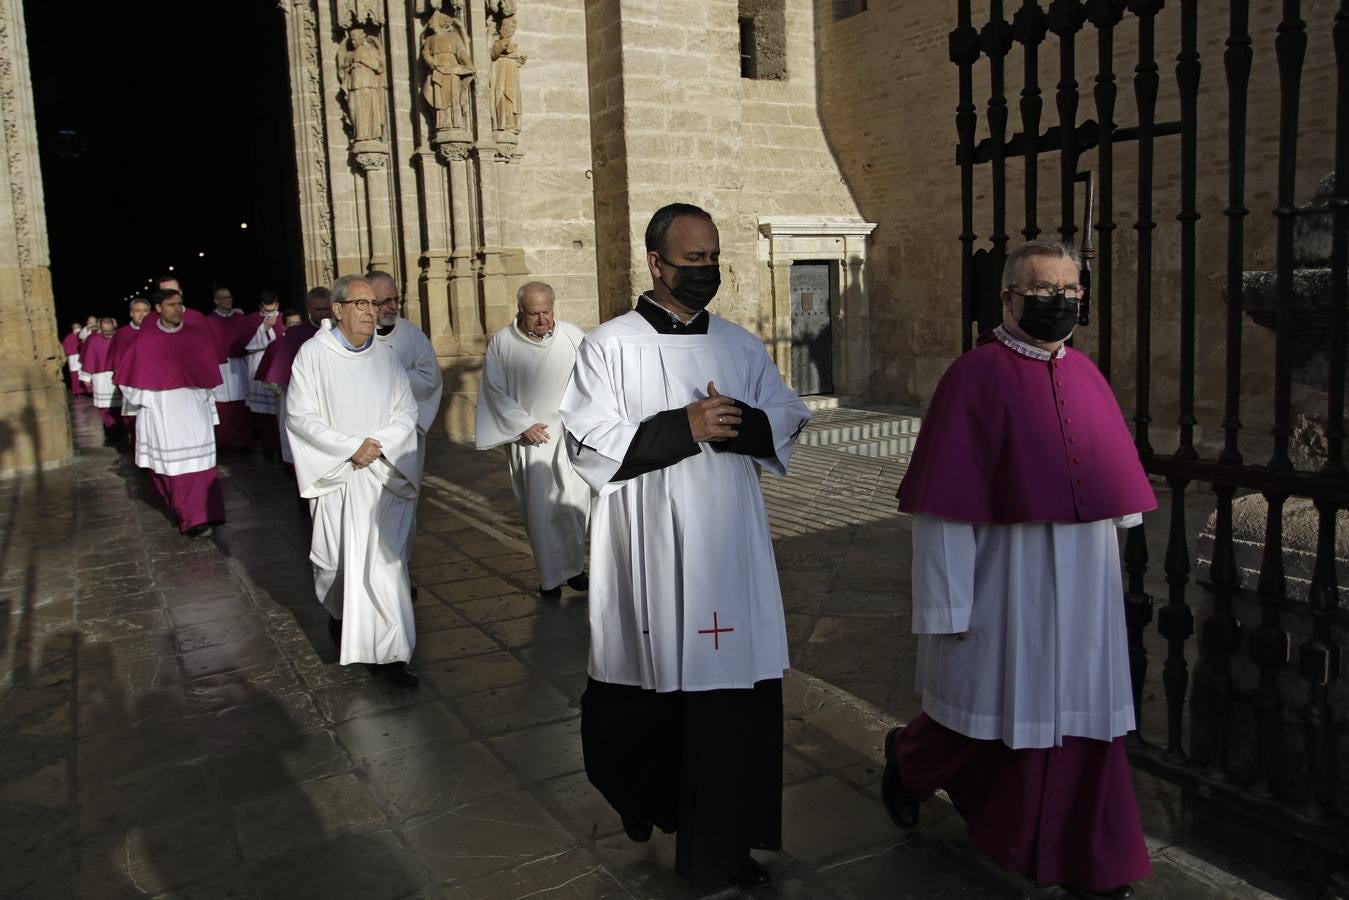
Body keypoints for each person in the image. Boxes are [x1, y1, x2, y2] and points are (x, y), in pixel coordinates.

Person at [883, 240, 1157, 900]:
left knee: (1084, 717)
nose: (1058, 303)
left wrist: (1116, 534)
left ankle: (1092, 857)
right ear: (1007, 298)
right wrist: (948, 610)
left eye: (1069, 294)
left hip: (1083, 583)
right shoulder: (972, 377)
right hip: (1006, 584)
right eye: (1043, 291)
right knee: (981, 719)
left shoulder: (1088, 376)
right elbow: (942, 510)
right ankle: (906, 763)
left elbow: (1111, 488)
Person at [558, 203, 810, 888]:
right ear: (655, 262)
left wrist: (740, 422)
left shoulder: (738, 344)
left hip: (728, 549)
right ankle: (641, 797)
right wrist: (686, 423)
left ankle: (722, 850)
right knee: (637, 700)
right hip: (648, 550)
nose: (704, 271)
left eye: (711, 259)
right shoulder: (608, 346)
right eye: (691, 259)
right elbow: (585, 442)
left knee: (732, 704)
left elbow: (786, 416)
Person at [286, 275, 421, 687]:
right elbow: (300, 416)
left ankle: (390, 655)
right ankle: (341, 613)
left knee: (387, 568)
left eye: (373, 305)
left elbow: (407, 409)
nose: (370, 311)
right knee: (334, 567)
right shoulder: (313, 356)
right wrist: (350, 447)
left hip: (383, 476)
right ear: (338, 309)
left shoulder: (385, 355)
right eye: (360, 304)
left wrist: (377, 446)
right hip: (339, 477)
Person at [476, 281, 589, 598]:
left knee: (573, 504)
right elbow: (494, 392)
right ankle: (550, 579)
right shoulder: (502, 343)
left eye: (547, 312)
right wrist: (523, 424)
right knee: (540, 511)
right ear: (520, 311)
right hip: (531, 438)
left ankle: (575, 567)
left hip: (568, 433)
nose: (542, 320)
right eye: (534, 313)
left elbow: (593, 377)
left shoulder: (573, 336)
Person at [115, 288, 225, 538]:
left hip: (193, 409)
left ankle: (205, 514)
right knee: (173, 469)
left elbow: (209, 375)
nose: (178, 309)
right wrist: (151, 398)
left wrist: (199, 394)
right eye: (172, 305)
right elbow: (127, 382)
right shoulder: (145, 340)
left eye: (180, 304)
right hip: (162, 411)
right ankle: (190, 516)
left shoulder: (196, 336)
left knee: (201, 464)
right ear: (158, 309)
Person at [257, 287, 331, 468]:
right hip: (305, 400)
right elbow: (279, 379)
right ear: (308, 308)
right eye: (318, 310)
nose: (323, 314)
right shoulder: (295, 335)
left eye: (325, 309)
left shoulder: (339, 332)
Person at [201, 284, 252, 450]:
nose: (228, 300)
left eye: (229, 297)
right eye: (223, 298)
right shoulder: (208, 321)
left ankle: (242, 441)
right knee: (221, 404)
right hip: (220, 366)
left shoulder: (240, 319)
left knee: (241, 403)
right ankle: (224, 443)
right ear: (216, 301)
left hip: (239, 365)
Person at [241, 290, 286, 457]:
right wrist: (264, 328)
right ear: (260, 307)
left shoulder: (283, 318)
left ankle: (282, 446)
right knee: (263, 412)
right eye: (266, 310)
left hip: (278, 362)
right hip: (258, 363)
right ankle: (268, 445)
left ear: (277, 303)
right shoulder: (250, 320)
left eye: (273, 308)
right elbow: (245, 344)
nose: (270, 312)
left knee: (281, 407)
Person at [111, 299, 152, 441]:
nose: (142, 314)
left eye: (145, 311)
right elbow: (117, 358)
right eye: (138, 311)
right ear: (131, 313)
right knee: (134, 419)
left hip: (153, 380)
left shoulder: (157, 331)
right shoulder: (122, 334)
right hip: (132, 381)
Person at [78, 317, 122, 439]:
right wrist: (86, 378)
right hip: (100, 377)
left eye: (110, 330)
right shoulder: (93, 340)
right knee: (104, 407)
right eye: (105, 330)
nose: (108, 333)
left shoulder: (120, 338)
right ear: (101, 328)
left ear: (114, 327)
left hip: (118, 375)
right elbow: (89, 358)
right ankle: (110, 429)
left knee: (119, 405)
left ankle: (120, 429)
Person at [61, 321, 87, 395]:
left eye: (78, 327)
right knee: (74, 375)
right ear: (72, 328)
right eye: (75, 327)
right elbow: (65, 348)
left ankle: (86, 390)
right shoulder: (68, 337)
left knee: (83, 374)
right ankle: (76, 390)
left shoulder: (83, 336)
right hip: (73, 358)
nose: (76, 329)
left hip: (82, 356)